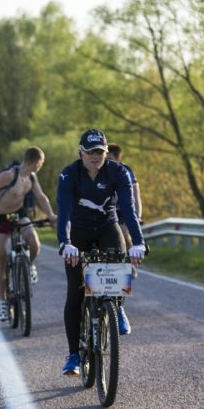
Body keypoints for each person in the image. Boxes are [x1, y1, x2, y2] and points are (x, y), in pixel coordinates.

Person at [56, 129, 146, 376]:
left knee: (120, 267)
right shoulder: (69, 174)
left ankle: (116, 306)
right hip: (78, 230)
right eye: (90, 152)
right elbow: (63, 212)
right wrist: (65, 243)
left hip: (108, 225)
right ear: (80, 153)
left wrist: (138, 242)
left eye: (100, 152)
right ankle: (74, 355)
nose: (95, 157)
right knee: (75, 291)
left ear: (106, 153)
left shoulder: (119, 172)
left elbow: (128, 209)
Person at [0, 147, 57, 321]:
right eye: (41, 163)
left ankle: (29, 266)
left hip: (19, 213)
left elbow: (41, 197)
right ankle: (3, 302)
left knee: (34, 243)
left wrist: (51, 215)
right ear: (37, 162)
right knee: (0, 257)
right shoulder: (8, 176)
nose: (41, 166)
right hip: (0, 216)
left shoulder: (31, 177)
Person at [107, 143, 143, 250]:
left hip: (122, 210)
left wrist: (138, 215)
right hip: (104, 209)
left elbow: (136, 194)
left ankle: (131, 261)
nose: (106, 162)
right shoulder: (99, 170)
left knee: (123, 234)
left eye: (110, 158)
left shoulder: (126, 171)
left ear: (117, 159)